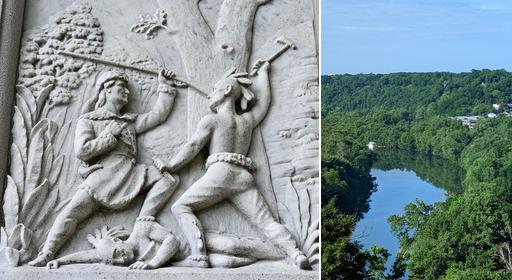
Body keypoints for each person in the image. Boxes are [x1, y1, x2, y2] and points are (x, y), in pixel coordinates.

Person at [155, 60, 310, 269]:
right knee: (266, 221)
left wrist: (171, 165)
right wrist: (264, 74)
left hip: (220, 173)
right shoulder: (247, 121)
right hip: (243, 177)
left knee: (180, 206)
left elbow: (193, 146)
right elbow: (264, 103)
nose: (210, 95)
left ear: (227, 90)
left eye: (214, 90)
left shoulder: (211, 120)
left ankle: (199, 256)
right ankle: (295, 253)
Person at [30, 69, 179, 266]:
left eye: (126, 87)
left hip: (131, 172)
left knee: (167, 178)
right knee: (72, 212)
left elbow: (158, 115)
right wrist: (109, 135)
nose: (126, 91)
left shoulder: (128, 121)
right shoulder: (89, 120)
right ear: (107, 90)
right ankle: (47, 253)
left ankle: (144, 220)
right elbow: (82, 151)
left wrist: (165, 86)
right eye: (121, 87)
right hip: (103, 175)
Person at [46, 215, 281, 270]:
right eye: (114, 261)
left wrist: (154, 263)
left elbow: (171, 241)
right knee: (227, 263)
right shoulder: (117, 257)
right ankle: (265, 263)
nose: (120, 259)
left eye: (117, 252)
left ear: (118, 241)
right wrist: (59, 260)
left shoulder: (142, 228)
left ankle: (278, 253)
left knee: (233, 246)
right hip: (189, 261)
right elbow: (90, 256)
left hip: (194, 241)